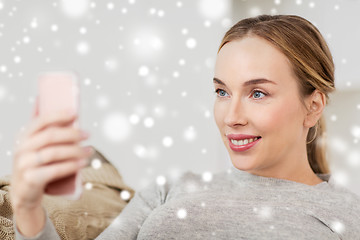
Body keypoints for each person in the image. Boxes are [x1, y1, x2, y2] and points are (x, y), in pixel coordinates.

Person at [12, 14, 360, 240]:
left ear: (312, 106)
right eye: (222, 91)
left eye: (257, 93)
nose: (231, 116)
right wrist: (28, 211)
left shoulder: (347, 216)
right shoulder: (168, 191)